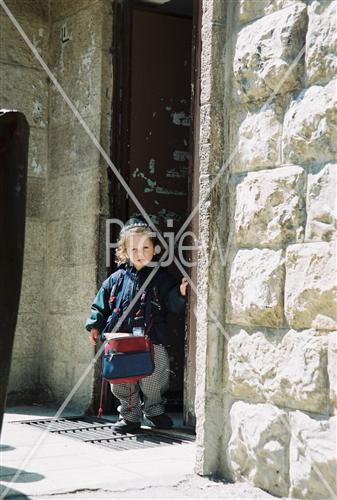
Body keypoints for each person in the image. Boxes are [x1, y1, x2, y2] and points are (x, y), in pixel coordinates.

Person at [85, 216, 188, 432]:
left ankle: (154, 410)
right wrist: (95, 325)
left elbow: (171, 302)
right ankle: (129, 416)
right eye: (133, 250)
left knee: (154, 377)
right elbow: (100, 304)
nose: (140, 254)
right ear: (124, 252)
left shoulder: (161, 277)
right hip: (122, 341)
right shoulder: (116, 279)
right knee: (122, 380)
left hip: (153, 338)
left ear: (155, 249)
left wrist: (179, 293)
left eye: (145, 248)